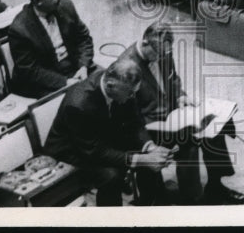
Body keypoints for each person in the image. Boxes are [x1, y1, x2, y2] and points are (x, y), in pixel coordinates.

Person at [118, 24, 244, 204]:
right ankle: (192, 198)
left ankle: (215, 186)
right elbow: (128, 117)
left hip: (173, 115)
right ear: (146, 43)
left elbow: (173, 78)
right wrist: (150, 141)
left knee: (213, 126)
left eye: (165, 54)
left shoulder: (163, 50)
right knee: (190, 143)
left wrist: (180, 96)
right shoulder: (126, 67)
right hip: (149, 128)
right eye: (158, 55)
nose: (161, 58)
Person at [43, 58, 175, 206]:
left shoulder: (123, 87)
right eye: (130, 93)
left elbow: (135, 122)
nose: (132, 97)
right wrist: (141, 160)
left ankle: (151, 203)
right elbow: (95, 151)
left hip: (101, 137)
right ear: (110, 85)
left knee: (148, 155)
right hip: (72, 152)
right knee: (112, 175)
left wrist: (151, 148)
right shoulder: (79, 105)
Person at [7, 0, 95, 98]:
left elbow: (84, 39)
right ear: (38, 2)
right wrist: (64, 82)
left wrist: (83, 66)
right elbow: (30, 71)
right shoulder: (19, 30)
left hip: (75, 67)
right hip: (46, 80)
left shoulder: (65, 5)